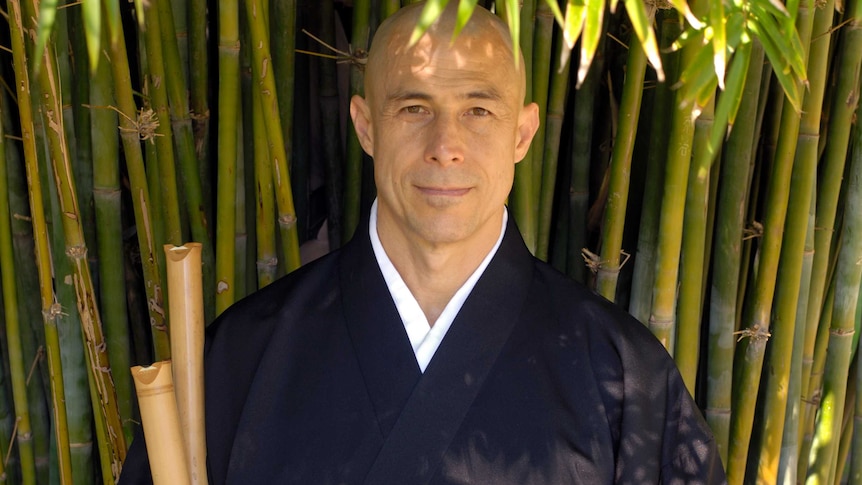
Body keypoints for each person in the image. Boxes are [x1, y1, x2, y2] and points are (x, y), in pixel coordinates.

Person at [120, 3, 726, 484]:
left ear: (522, 132)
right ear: (365, 125)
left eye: (479, 111)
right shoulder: (241, 358)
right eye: (414, 107)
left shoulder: (622, 374)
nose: (446, 144)